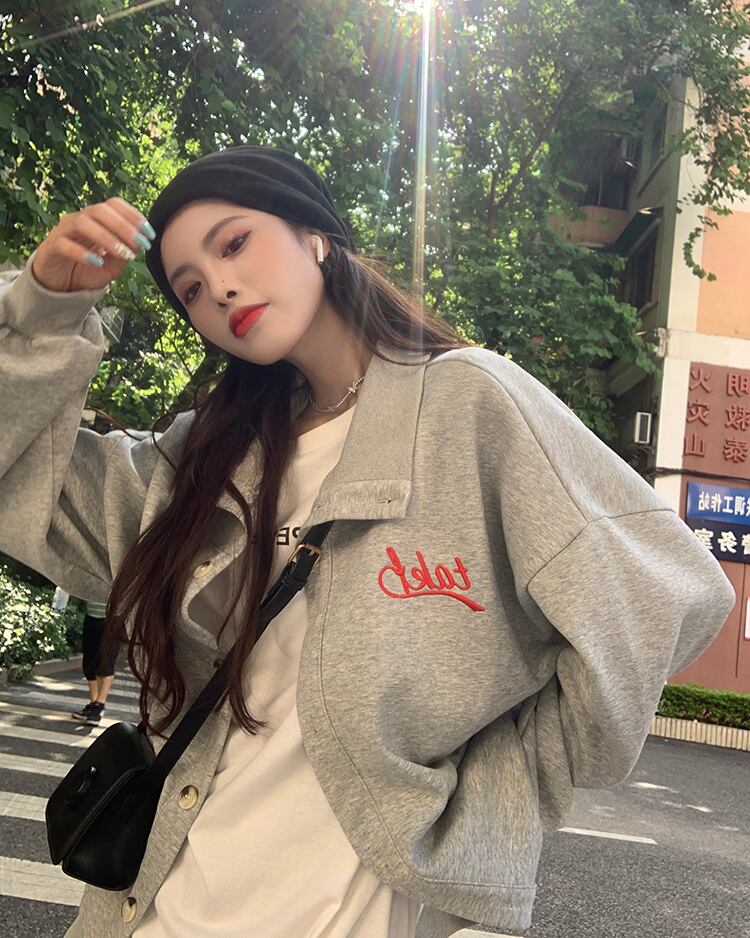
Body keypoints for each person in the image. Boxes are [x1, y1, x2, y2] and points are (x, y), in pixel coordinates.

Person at [0, 145, 736, 938]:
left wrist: (512, 779)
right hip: (159, 912)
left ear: (314, 233)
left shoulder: (465, 405)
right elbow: (19, 484)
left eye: (234, 243)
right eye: (191, 289)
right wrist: (42, 314)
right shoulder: (195, 464)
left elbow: (668, 593)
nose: (220, 288)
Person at [70, 596, 118, 725]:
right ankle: (93, 704)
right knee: (89, 662)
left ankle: (100, 705)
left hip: (113, 619)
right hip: (91, 616)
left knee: (106, 662)